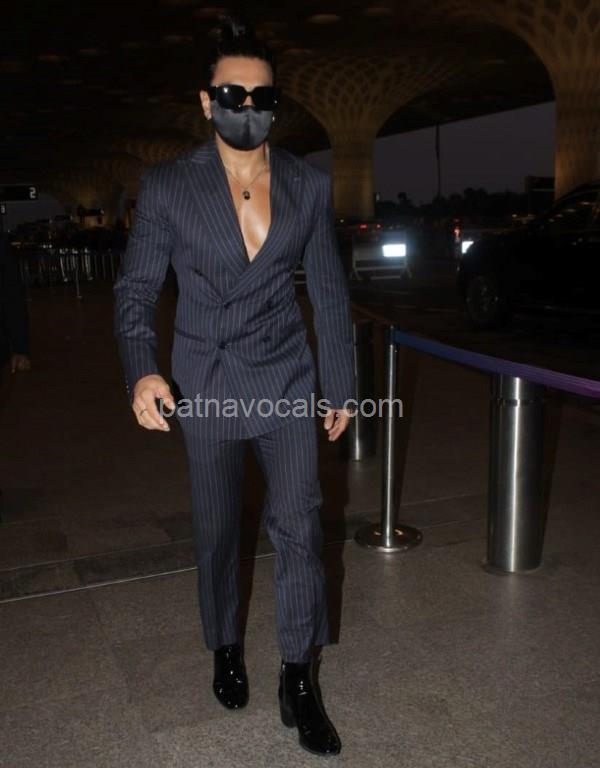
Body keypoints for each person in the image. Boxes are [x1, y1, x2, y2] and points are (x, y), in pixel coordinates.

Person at [113, 16, 355, 757]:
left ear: (276, 103)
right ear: (206, 100)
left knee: (300, 527)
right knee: (219, 531)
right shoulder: (168, 186)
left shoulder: (308, 184)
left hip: (285, 377)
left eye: (262, 96)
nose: (247, 108)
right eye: (231, 95)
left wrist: (340, 385)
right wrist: (143, 368)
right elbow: (135, 289)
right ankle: (224, 645)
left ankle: (298, 679)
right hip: (208, 382)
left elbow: (329, 293)